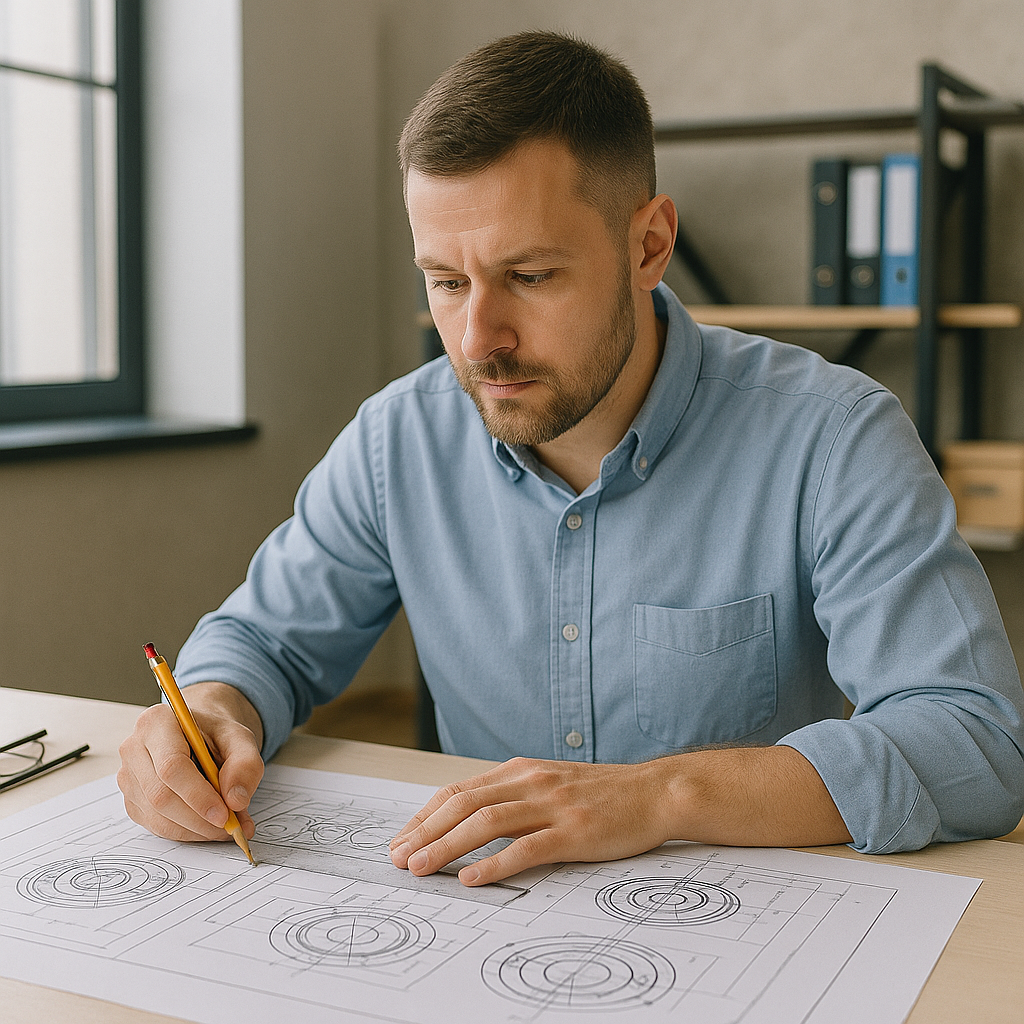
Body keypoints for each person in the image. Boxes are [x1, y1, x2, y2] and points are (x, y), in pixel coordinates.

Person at [118, 32, 1024, 885]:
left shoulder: (835, 438)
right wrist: (211, 708)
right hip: (481, 923)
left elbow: (977, 741)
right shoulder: (400, 439)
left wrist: (662, 795)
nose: (477, 340)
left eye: (531, 276)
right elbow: (264, 641)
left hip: (744, 930)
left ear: (649, 246)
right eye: (447, 282)